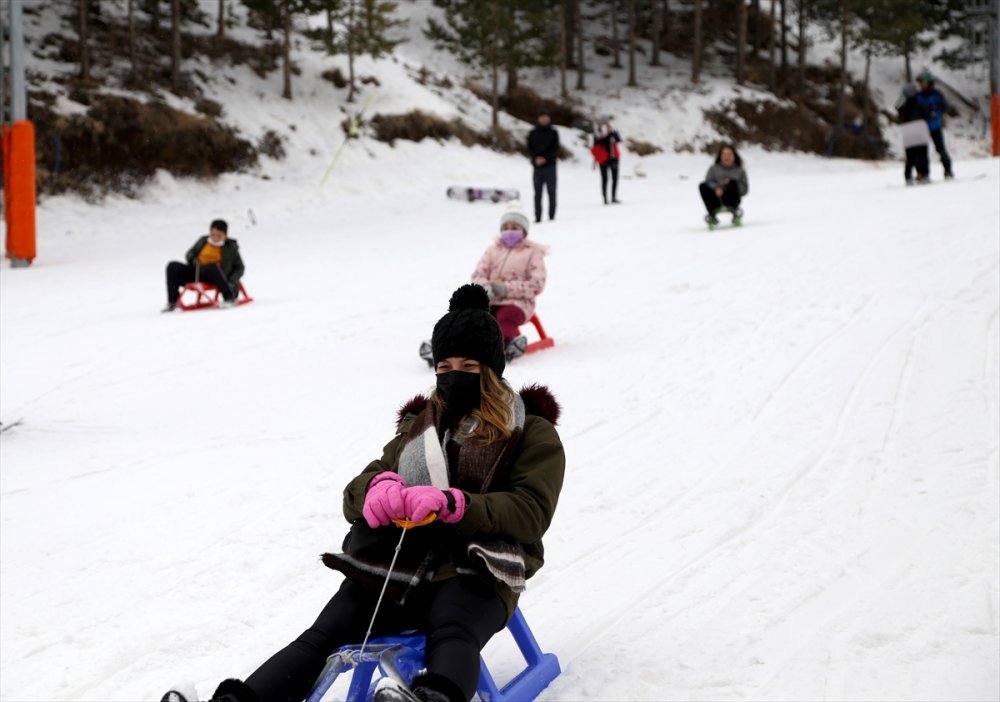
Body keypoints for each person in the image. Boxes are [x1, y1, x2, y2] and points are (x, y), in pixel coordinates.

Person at [164, 284, 565, 702]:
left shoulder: (530, 432)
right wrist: (377, 489)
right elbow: (356, 490)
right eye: (444, 364)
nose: (453, 374)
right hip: (399, 563)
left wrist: (456, 504)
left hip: (477, 564)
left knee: (452, 624)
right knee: (326, 632)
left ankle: (437, 698)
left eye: (468, 364)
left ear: (491, 368)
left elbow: (531, 510)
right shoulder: (421, 427)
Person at [419, 202, 547, 367]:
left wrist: (505, 289)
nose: (510, 231)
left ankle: (504, 348)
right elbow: (478, 274)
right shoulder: (493, 250)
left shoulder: (532, 252)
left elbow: (537, 283)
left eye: (515, 227)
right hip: (490, 299)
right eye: (506, 227)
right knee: (468, 319)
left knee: (504, 317)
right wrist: (485, 288)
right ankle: (442, 346)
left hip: (518, 302)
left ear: (524, 231)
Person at [162, 219, 244, 312]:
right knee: (172, 266)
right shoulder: (204, 240)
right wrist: (192, 259)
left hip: (216, 276)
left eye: (219, 235)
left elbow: (240, 267)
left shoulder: (230, 248)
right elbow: (189, 254)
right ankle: (172, 302)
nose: (215, 238)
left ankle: (229, 298)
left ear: (225, 235)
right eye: (213, 234)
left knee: (211, 267)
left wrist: (231, 280)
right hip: (197, 272)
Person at [915, 70, 953, 179]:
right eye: (920, 83)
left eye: (923, 83)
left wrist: (935, 110)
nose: (921, 85)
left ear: (929, 83)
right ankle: (923, 173)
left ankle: (948, 171)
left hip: (935, 126)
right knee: (921, 152)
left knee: (940, 149)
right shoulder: (918, 96)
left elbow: (945, 107)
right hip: (922, 128)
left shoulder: (937, 95)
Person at [698, 144, 749, 225]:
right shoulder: (713, 169)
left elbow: (745, 189)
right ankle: (711, 214)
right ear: (720, 156)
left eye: (729, 154)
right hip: (715, 198)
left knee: (733, 183)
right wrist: (716, 188)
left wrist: (729, 185)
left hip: (731, 199)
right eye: (724, 154)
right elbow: (708, 182)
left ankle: (735, 211)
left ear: (734, 156)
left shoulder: (740, 171)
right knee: (702, 185)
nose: (727, 157)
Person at [526, 110, 559, 223]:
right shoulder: (533, 133)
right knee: (537, 193)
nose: (544, 119)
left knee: (552, 191)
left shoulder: (553, 132)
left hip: (550, 166)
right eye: (542, 117)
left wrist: (545, 159)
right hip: (537, 168)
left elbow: (555, 149)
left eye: (546, 117)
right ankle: (538, 216)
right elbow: (529, 148)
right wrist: (536, 159)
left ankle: (551, 216)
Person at [896, 83, 931, 185]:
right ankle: (923, 174)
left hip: (908, 134)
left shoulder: (902, 106)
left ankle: (908, 176)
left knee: (910, 157)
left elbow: (898, 112)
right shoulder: (920, 104)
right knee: (922, 155)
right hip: (920, 132)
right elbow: (928, 115)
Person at [591, 121, 622, 204]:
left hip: (614, 158)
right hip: (603, 159)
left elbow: (619, 139)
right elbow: (596, 148)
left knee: (615, 178)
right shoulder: (598, 134)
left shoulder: (613, 133)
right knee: (605, 179)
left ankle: (613, 197)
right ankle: (605, 199)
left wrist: (612, 133)